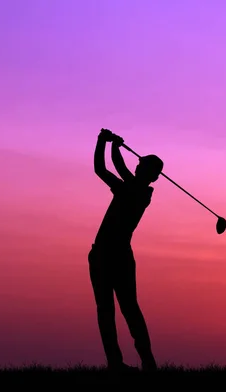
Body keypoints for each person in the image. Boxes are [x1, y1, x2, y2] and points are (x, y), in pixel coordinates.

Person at [88, 128, 164, 372]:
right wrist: (105, 143)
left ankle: (148, 362)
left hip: (118, 256)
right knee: (106, 310)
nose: (139, 168)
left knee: (129, 308)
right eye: (140, 165)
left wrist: (112, 145)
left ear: (152, 176)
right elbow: (101, 169)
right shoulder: (129, 187)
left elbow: (116, 167)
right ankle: (115, 363)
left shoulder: (140, 192)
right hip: (101, 254)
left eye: (143, 167)